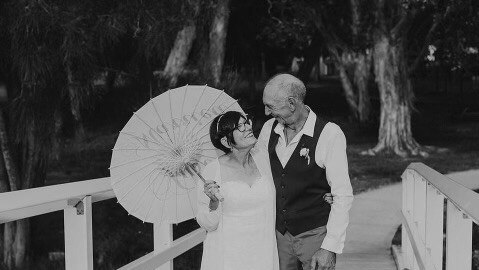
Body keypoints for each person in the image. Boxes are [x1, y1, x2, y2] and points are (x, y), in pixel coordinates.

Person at [257, 73, 354, 270]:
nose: (266, 112)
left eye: (270, 106)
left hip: (314, 234)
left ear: (292, 104)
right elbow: (258, 175)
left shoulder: (329, 133)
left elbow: (342, 194)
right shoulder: (268, 129)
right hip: (278, 235)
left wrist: (329, 247)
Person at [195, 111, 279, 270]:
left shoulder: (263, 159)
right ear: (226, 142)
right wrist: (213, 202)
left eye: (246, 122)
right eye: (239, 127)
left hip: (263, 253)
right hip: (227, 258)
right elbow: (207, 224)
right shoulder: (212, 171)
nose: (247, 127)